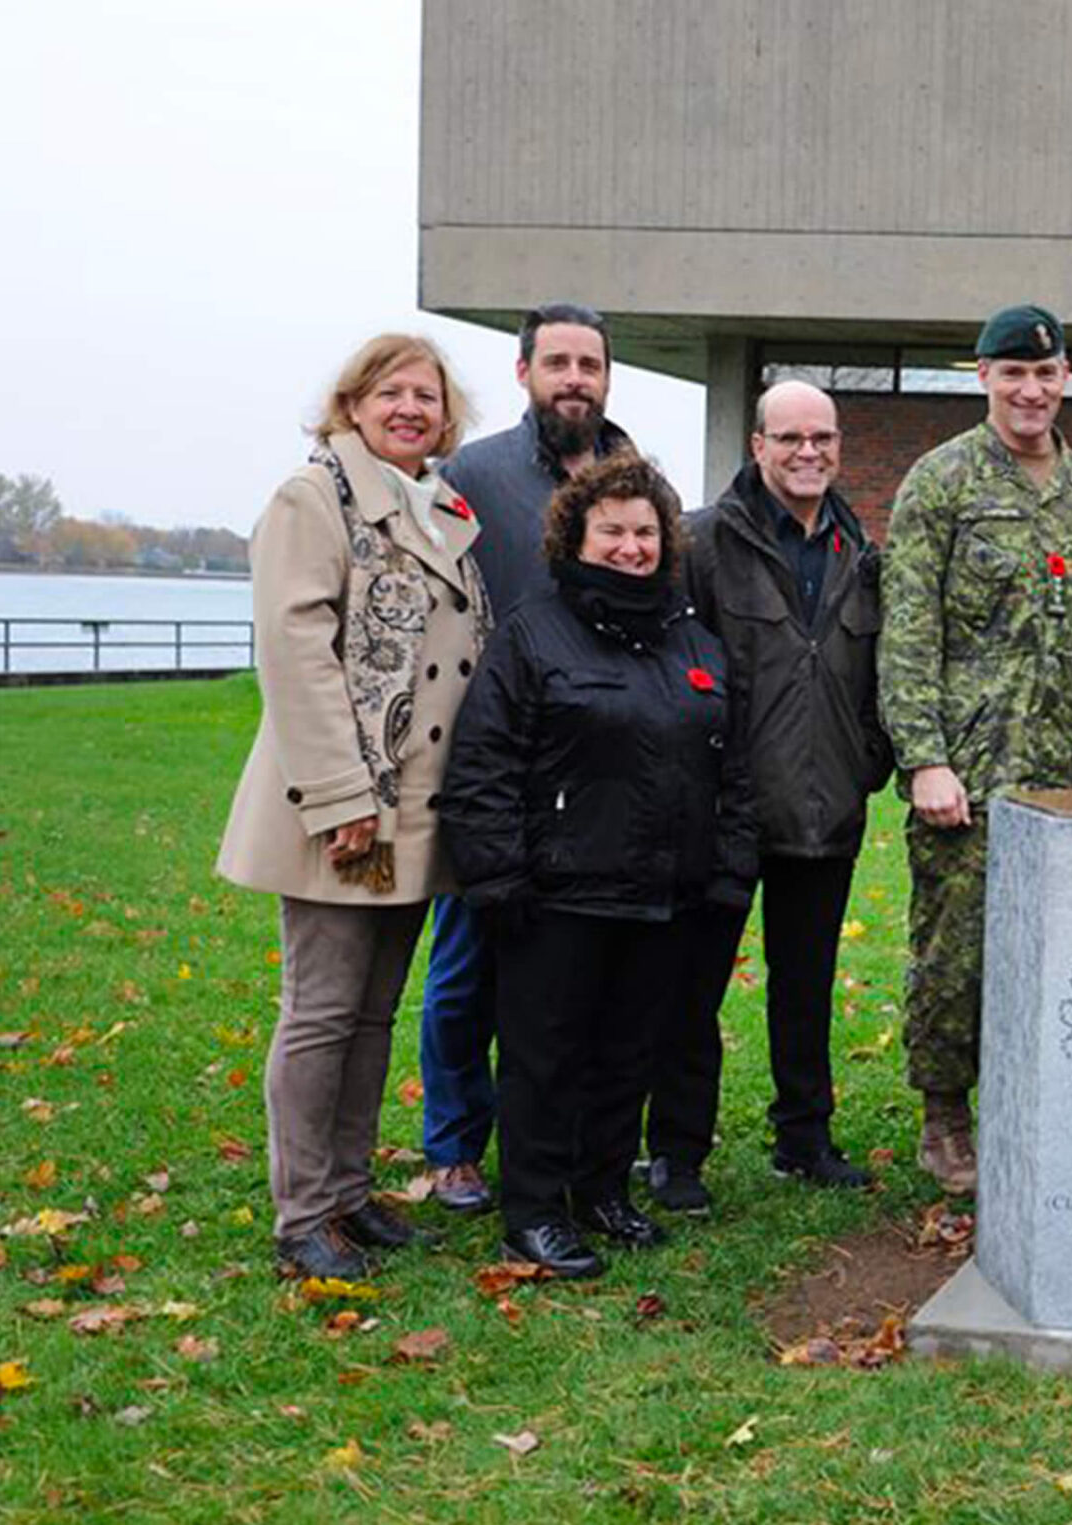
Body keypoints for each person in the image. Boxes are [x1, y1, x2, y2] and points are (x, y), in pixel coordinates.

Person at [440, 454, 757, 1277]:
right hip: (558, 894)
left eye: (645, 530)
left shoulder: (692, 638)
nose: (630, 546)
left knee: (630, 1051)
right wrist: (498, 878)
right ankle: (536, 1209)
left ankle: (603, 1188)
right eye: (611, 529)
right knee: (547, 1057)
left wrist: (726, 871)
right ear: (576, 535)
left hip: (666, 895)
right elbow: (483, 765)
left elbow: (734, 767)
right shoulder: (533, 632)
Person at [216, 333, 488, 1278]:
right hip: (340, 806)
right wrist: (341, 798)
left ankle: (347, 1194)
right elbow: (294, 654)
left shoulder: (441, 509)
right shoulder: (313, 499)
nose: (411, 408)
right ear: (353, 402)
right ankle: (303, 1217)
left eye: (428, 396)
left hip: (415, 807)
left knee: (374, 1013)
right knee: (323, 1010)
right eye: (392, 392)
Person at [879, 304, 1072, 1195]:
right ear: (983, 376)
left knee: (1061, 956)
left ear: (1066, 378)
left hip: (1071, 777)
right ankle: (946, 1119)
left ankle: (1039, 1110)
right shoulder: (941, 481)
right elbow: (907, 629)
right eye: (1012, 373)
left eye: (1047, 373)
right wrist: (923, 757)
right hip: (973, 773)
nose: (1031, 390)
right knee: (956, 956)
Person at [416, 302, 634, 1216]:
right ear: (524, 373)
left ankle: (553, 1135)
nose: (575, 378)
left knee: (565, 976)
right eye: (559, 363)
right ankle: (455, 1144)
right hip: (496, 757)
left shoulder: (632, 473)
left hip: (593, 765)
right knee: (469, 964)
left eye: (590, 363)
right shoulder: (473, 474)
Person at [666, 381, 895, 1207]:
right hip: (723, 809)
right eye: (791, 437)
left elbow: (874, 673)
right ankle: (677, 1151)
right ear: (757, 444)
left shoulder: (856, 548)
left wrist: (869, 755)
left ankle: (804, 1136)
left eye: (823, 438)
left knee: (808, 982)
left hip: (825, 802)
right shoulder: (701, 542)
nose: (809, 452)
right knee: (693, 987)